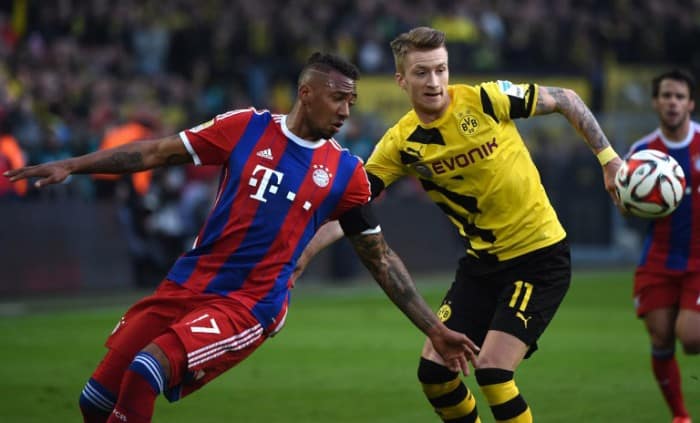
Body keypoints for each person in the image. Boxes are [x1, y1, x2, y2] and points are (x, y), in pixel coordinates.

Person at [4, 52, 479, 423]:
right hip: (187, 285)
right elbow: (156, 152)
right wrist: (73, 164)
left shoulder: (345, 173)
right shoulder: (244, 128)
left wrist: (432, 328)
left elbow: (381, 258)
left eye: (351, 101)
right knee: (95, 399)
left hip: (249, 304)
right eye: (337, 98)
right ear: (306, 93)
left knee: (147, 371)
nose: (345, 110)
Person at [295, 28, 621, 423]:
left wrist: (609, 159)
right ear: (401, 80)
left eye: (440, 70)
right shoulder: (401, 144)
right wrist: (304, 252)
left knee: (493, 372)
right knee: (434, 374)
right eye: (421, 73)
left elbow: (567, 99)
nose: (433, 82)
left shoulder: (486, 99)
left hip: (539, 259)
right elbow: (351, 210)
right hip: (481, 267)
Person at [623, 69, 699, 423]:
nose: (673, 102)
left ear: (691, 103)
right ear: (656, 102)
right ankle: (681, 417)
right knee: (660, 336)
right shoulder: (641, 152)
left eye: (679, 96)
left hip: (699, 259)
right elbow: (624, 202)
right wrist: (630, 201)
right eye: (666, 96)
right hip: (659, 257)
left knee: (691, 338)